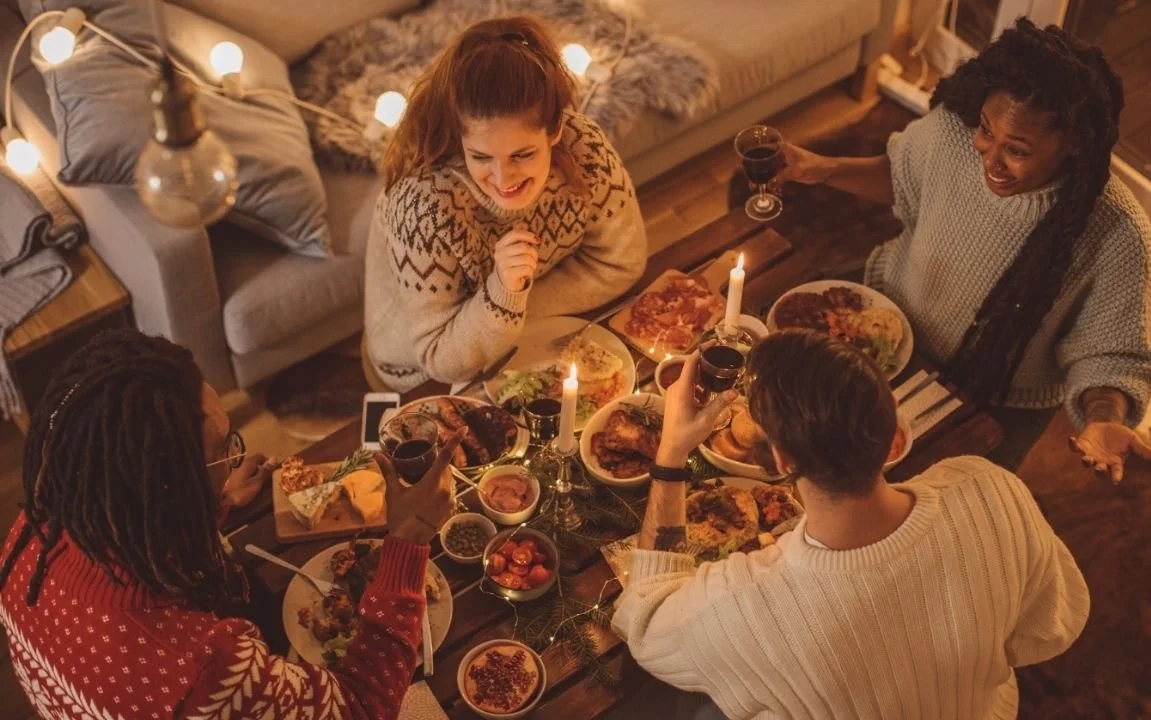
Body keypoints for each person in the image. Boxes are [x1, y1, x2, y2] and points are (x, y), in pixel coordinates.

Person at [612, 330, 1090, 720]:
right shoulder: (988, 486)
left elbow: (645, 621)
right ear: (890, 433)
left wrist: (672, 453)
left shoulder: (749, 609)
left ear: (781, 459)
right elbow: (1050, 627)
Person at [0, 329, 463, 719]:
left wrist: (214, 502)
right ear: (170, 489)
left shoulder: (39, 526)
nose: (234, 458)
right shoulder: (200, 671)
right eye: (223, 450)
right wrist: (407, 541)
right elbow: (360, 706)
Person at [777, 19, 1151, 478]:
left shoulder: (1117, 234)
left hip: (995, 395)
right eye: (986, 130)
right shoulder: (953, 134)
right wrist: (824, 168)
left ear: (1075, 144)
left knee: (923, 494)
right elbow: (904, 177)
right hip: (885, 318)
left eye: (1016, 150)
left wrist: (1105, 418)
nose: (989, 158)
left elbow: (1111, 355)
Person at [364, 15, 647, 391]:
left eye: (523, 154)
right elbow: (439, 357)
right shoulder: (423, 206)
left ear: (557, 130)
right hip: (420, 376)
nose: (503, 178)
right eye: (480, 157)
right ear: (460, 139)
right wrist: (504, 292)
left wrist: (515, 305)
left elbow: (623, 264)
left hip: (528, 336)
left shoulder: (586, 150)